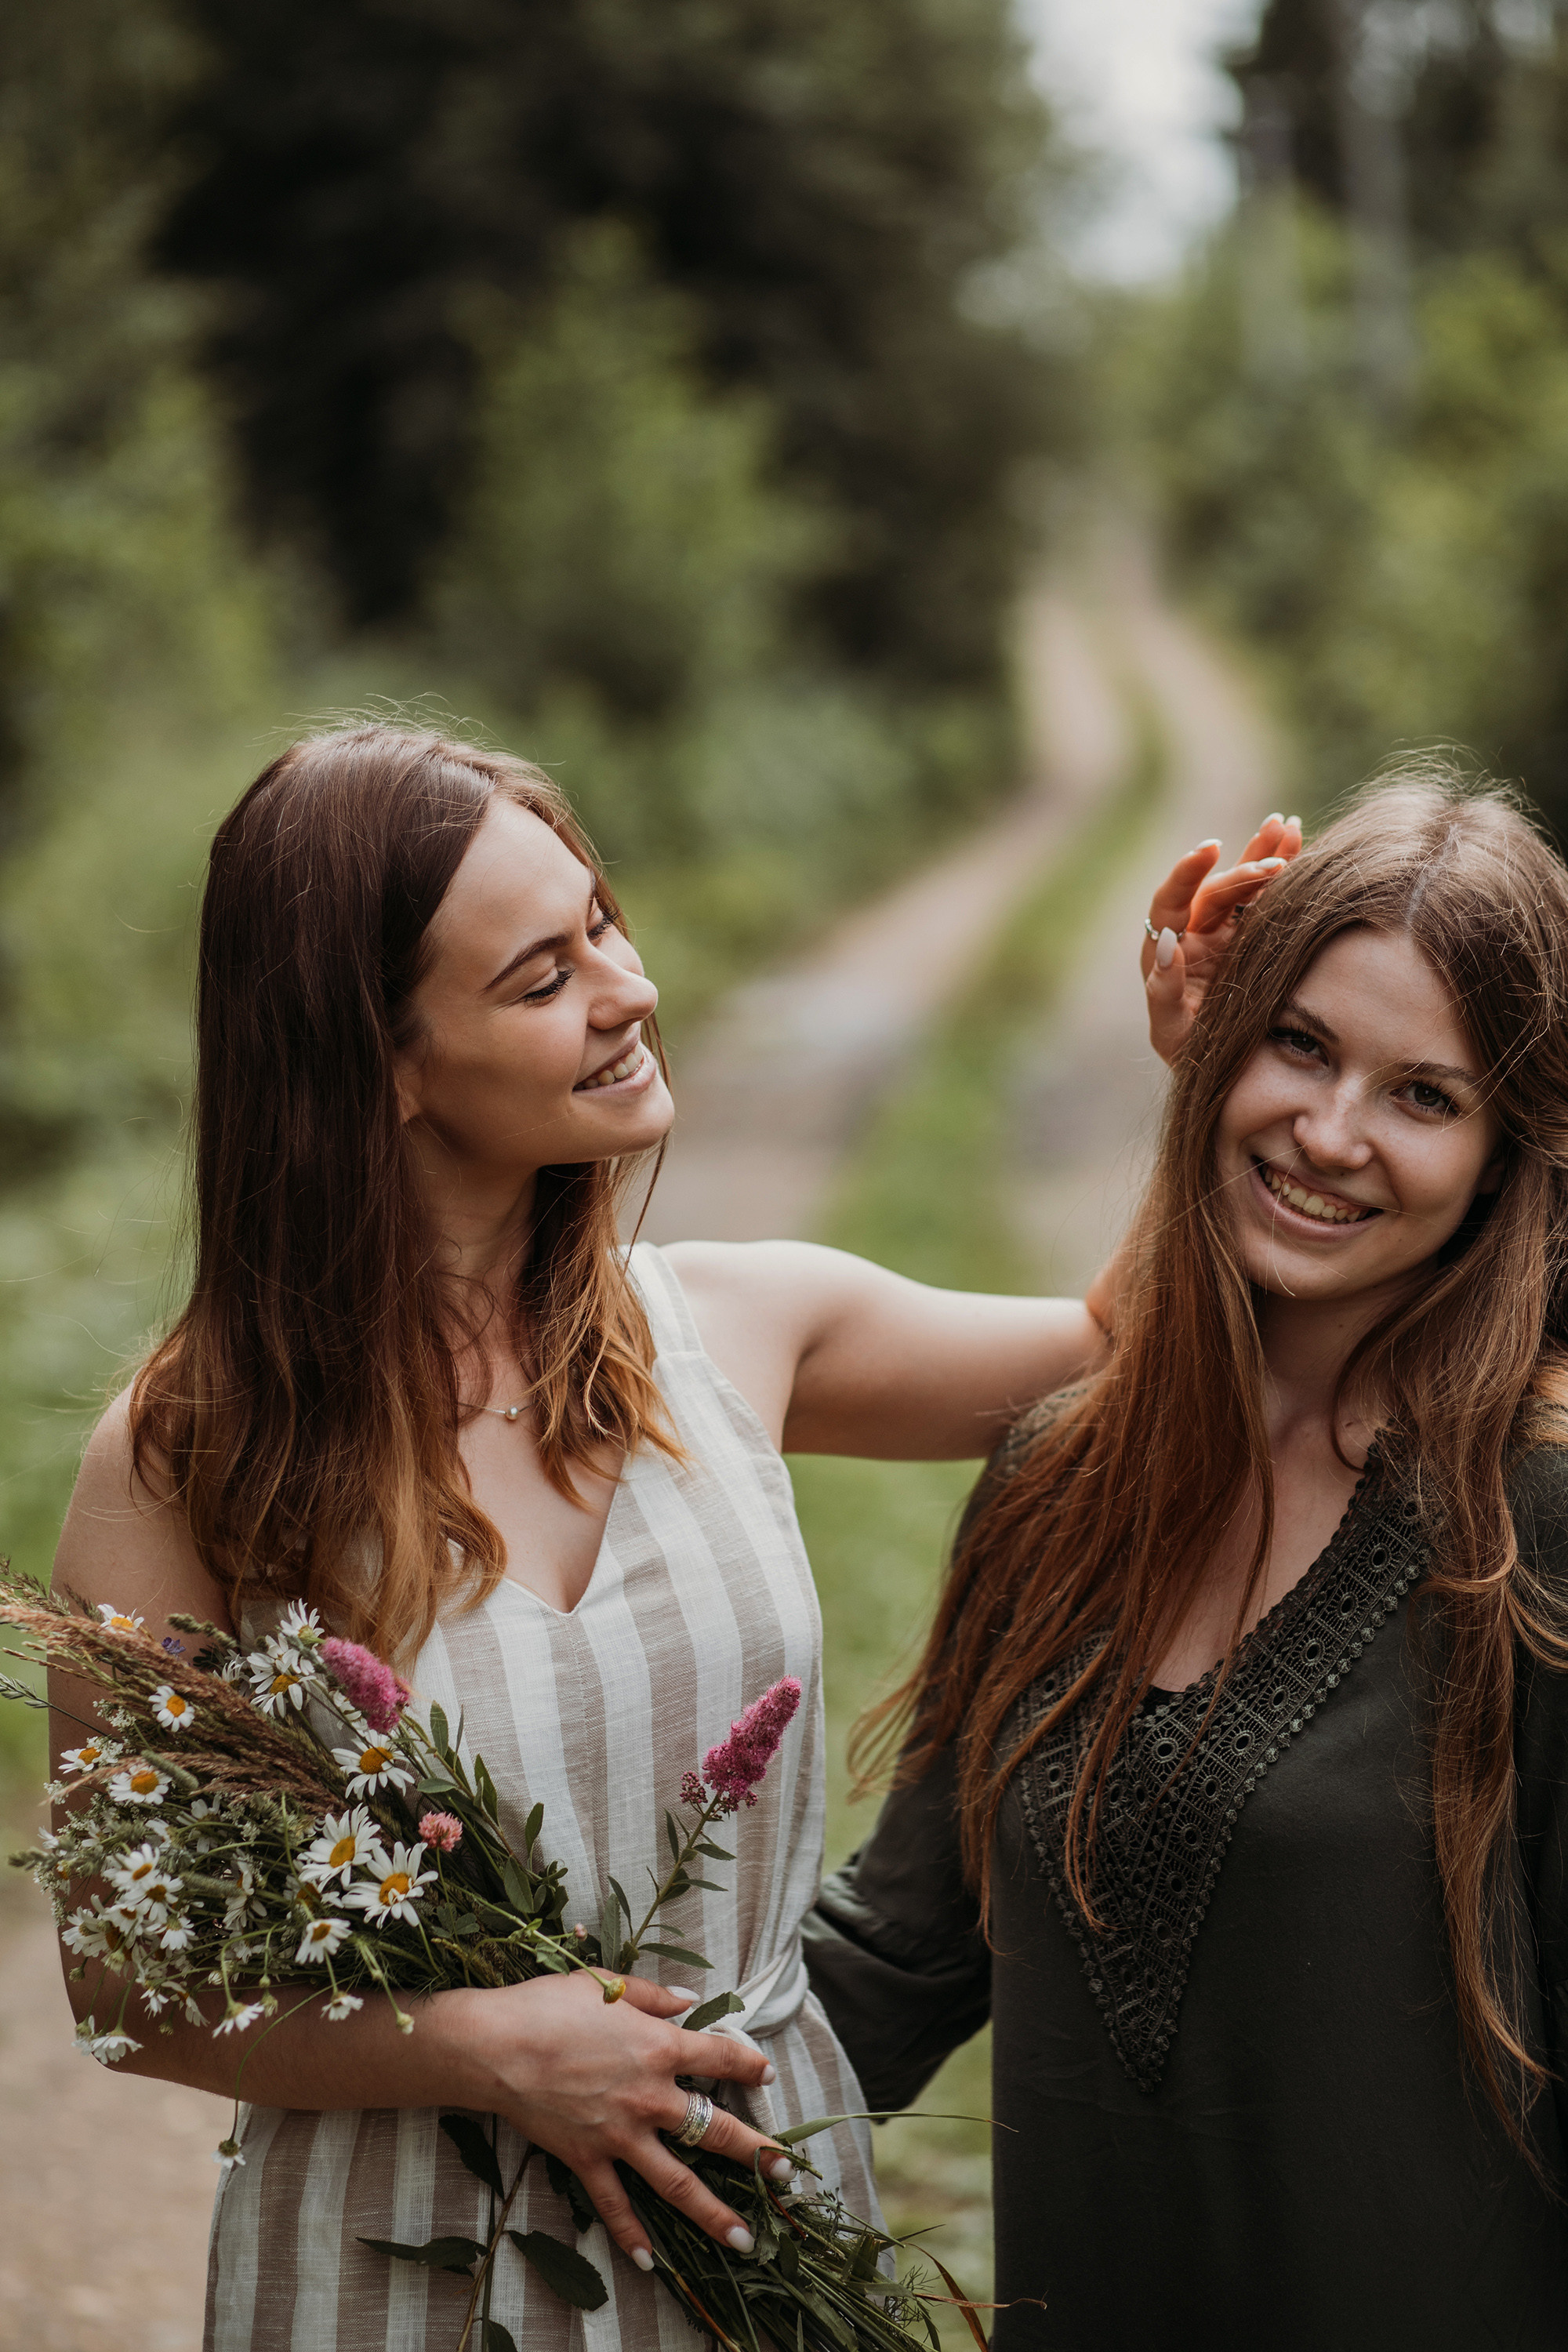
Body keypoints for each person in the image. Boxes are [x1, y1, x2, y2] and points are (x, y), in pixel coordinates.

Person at [48, 720, 1291, 2351]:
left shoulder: (734, 1326)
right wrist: (490, 2048)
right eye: (542, 975)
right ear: (383, 1058)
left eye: (604, 925)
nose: (628, 988)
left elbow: (1136, 1353)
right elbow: (132, 1986)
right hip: (386, 2273)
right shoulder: (194, 1452)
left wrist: (1204, 1068)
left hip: (751, 2230)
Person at [805, 770, 1568, 2350]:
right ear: (1217, 1045)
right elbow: (889, 1970)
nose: (1329, 1133)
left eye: (1422, 1096)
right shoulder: (1056, 1476)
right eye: (1297, 1045)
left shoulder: (1531, 1535)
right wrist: (509, 2026)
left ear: (1505, 1153)